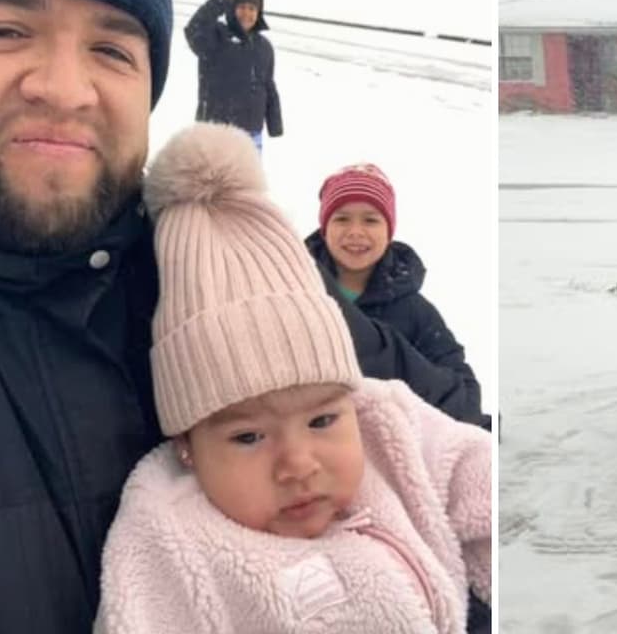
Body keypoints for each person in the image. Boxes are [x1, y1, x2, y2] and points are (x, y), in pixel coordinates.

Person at [0, 0, 478, 630]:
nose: (67, 89)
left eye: (113, 49)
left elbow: (456, 445)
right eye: (5, 31)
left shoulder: (214, 275)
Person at [95, 123, 491, 634]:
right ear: (187, 443)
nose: (298, 465)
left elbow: (472, 473)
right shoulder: (166, 539)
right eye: (248, 436)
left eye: (323, 419)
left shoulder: (385, 424)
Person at [305, 163, 485, 427]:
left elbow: (465, 398)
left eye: (371, 220)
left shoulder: (415, 311)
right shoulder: (296, 293)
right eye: (342, 218)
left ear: (389, 231)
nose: (355, 231)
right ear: (324, 227)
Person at [186, 0, 283, 154]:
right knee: (212, 179)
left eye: (252, 8)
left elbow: (268, 85)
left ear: (259, 13)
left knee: (245, 180)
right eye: (242, 7)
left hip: (252, 133)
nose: (247, 13)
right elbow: (194, 29)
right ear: (232, 9)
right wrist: (219, 0)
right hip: (217, 132)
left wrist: (274, 122)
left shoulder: (264, 47)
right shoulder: (216, 37)